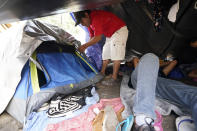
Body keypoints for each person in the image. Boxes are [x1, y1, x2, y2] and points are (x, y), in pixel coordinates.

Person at [130, 53, 197, 131]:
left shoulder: (162, 74)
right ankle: (142, 121)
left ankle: (143, 123)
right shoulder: (147, 66)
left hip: (158, 81)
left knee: (152, 58)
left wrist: (164, 62)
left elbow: (173, 62)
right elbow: (138, 63)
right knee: (151, 57)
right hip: (144, 76)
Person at [74, 10, 128, 86]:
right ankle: (102, 74)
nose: (82, 24)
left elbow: (98, 38)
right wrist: (85, 46)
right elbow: (92, 37)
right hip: (110, 34)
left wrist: (84, 46)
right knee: (105, 54)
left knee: (116, 55)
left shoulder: (96, 17)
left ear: (86, 15)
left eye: (82, 21)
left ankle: (114, 78)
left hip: (119, 30)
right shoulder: (90, 23)